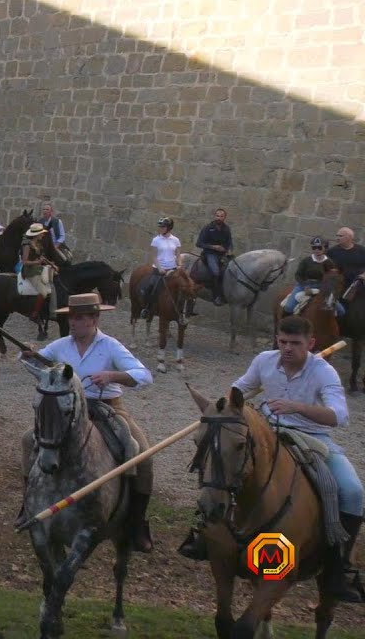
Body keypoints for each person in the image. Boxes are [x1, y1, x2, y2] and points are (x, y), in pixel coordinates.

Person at [178, 315, 365, 601]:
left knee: (352, 491)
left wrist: (296, 407)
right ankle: (206, 535)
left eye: (295, 343)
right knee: (223, 464)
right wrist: (223, 409)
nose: (288, 348)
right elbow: (238, 388)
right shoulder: (265, 360)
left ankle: (339, 568)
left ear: (310, 343)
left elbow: (339, 416)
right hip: (265, 432)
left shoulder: (324, 372)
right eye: (283, 341)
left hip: (313, 437)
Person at [21, 292, 155, 553]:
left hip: (106, 408)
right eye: (71, 317)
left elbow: (144, 375)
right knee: (28, 439)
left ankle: (136, 523)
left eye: (80, 318)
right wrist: (29, 356)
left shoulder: (111, 346)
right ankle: (28, 507)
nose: (73, 322)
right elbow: (32, 363)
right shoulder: (60, 346)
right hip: (67, 412)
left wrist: (113, 375)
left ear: (94, 319)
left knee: (140, 451)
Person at [282, 237, 342, 316]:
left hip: (322, 287)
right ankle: (285, 325)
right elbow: (298, 275)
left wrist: (328, 288)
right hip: (304, 285)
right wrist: (305, 286)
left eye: (319, 247)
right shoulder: (306, 261)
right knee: (289, 307)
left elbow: (332, 278)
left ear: (325, 248)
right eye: (314, 247)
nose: (316, 250)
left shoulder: (330, 262)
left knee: (341, 311)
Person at [138, 217, 183, 319]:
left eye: (163, 227)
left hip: (172, 269)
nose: (161, 228)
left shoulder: (175, 240)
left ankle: (182, 311)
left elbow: (178, 254)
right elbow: (154, 256)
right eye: (161, 227)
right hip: (159, 269)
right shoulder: (156, 240)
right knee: (150, 287)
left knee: (185, 287)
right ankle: (147, 308)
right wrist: (160, 268)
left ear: (169, 227)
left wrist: (179, 265)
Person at [18, 223, 56, 330]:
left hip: (38, 268)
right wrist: (38, 262)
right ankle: (34, 314)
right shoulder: (27, 245)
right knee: (43, 292)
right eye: (41, 234)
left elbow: (41, 257)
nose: (43, 235)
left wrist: (51, 264)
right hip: (30, 271)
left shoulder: (37, 244)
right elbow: (24, 262)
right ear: (37, 234)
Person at [195, 208, 233, 306]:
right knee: (215, 272)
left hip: (223, 254)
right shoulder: (208, 228)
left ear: (224, 217)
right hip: (210, 254)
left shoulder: (226, 229)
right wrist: (213, 247)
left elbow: (229, 242)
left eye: (221, 216)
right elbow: (199, 243)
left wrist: (229, 250)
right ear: (215, 216)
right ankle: (216, 296)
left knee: (232, 270)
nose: (219, 218)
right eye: (217, 216)